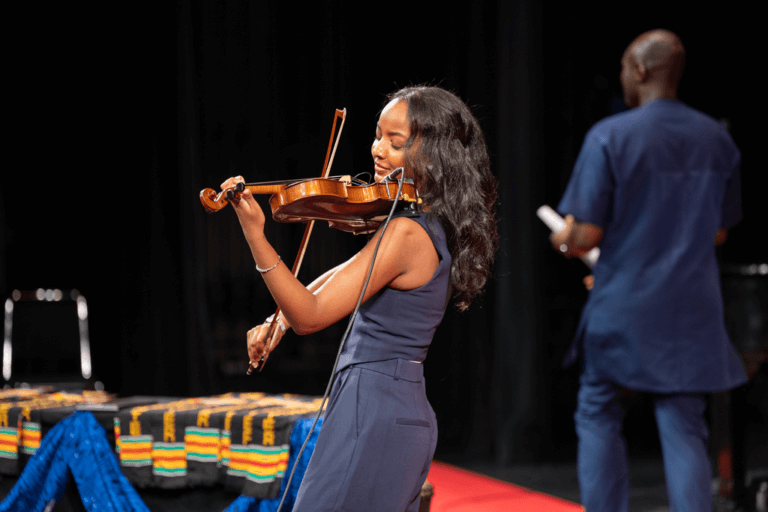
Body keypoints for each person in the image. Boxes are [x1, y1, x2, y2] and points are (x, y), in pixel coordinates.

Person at [221, 86, 498, 511]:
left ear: (436, 156)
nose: (377, 150)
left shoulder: (407, 233)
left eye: (396, 142)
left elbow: (311, 315)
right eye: (377, 135)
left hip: (373, 411)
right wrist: (278, 323)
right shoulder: (423, 224)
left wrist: (255, 237)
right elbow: (330, 285)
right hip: (388, 405)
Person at [550, 30, 747, 512]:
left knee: (597, 412)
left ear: (639, 70)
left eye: (623, 67)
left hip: (626, 305)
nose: (621, 76)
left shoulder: (611, 135)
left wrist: (563, 236)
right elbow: (719, 232)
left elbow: (587, 234)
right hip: (691, 309)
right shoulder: (717, 140)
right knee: (684, 427)